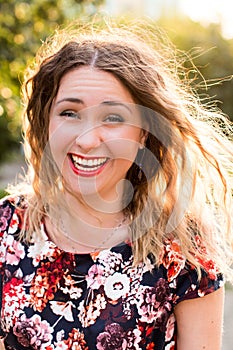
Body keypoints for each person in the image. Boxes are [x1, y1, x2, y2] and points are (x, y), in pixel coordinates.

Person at [0, 18, 233, 350]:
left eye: (113, 118)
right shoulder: (6, 227)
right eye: (69, 113)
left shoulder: (183, 247)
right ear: (47, 121)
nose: (87, 139)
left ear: (144, 132)